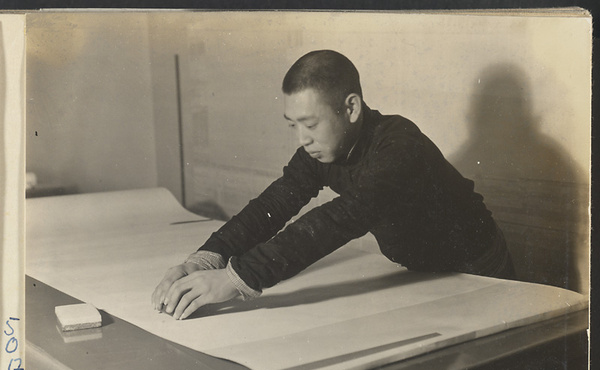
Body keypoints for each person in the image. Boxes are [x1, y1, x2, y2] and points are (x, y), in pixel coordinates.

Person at [151, 49, 515, 320]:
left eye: (310, 124)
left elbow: (342, 217)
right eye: (293, 125)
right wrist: (204, 259)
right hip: (423, 275)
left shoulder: (400, 143)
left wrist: (236, 279)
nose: (302, 139)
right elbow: (273, 205)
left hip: (479, 270)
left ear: (352, 108)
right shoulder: (322, 150)